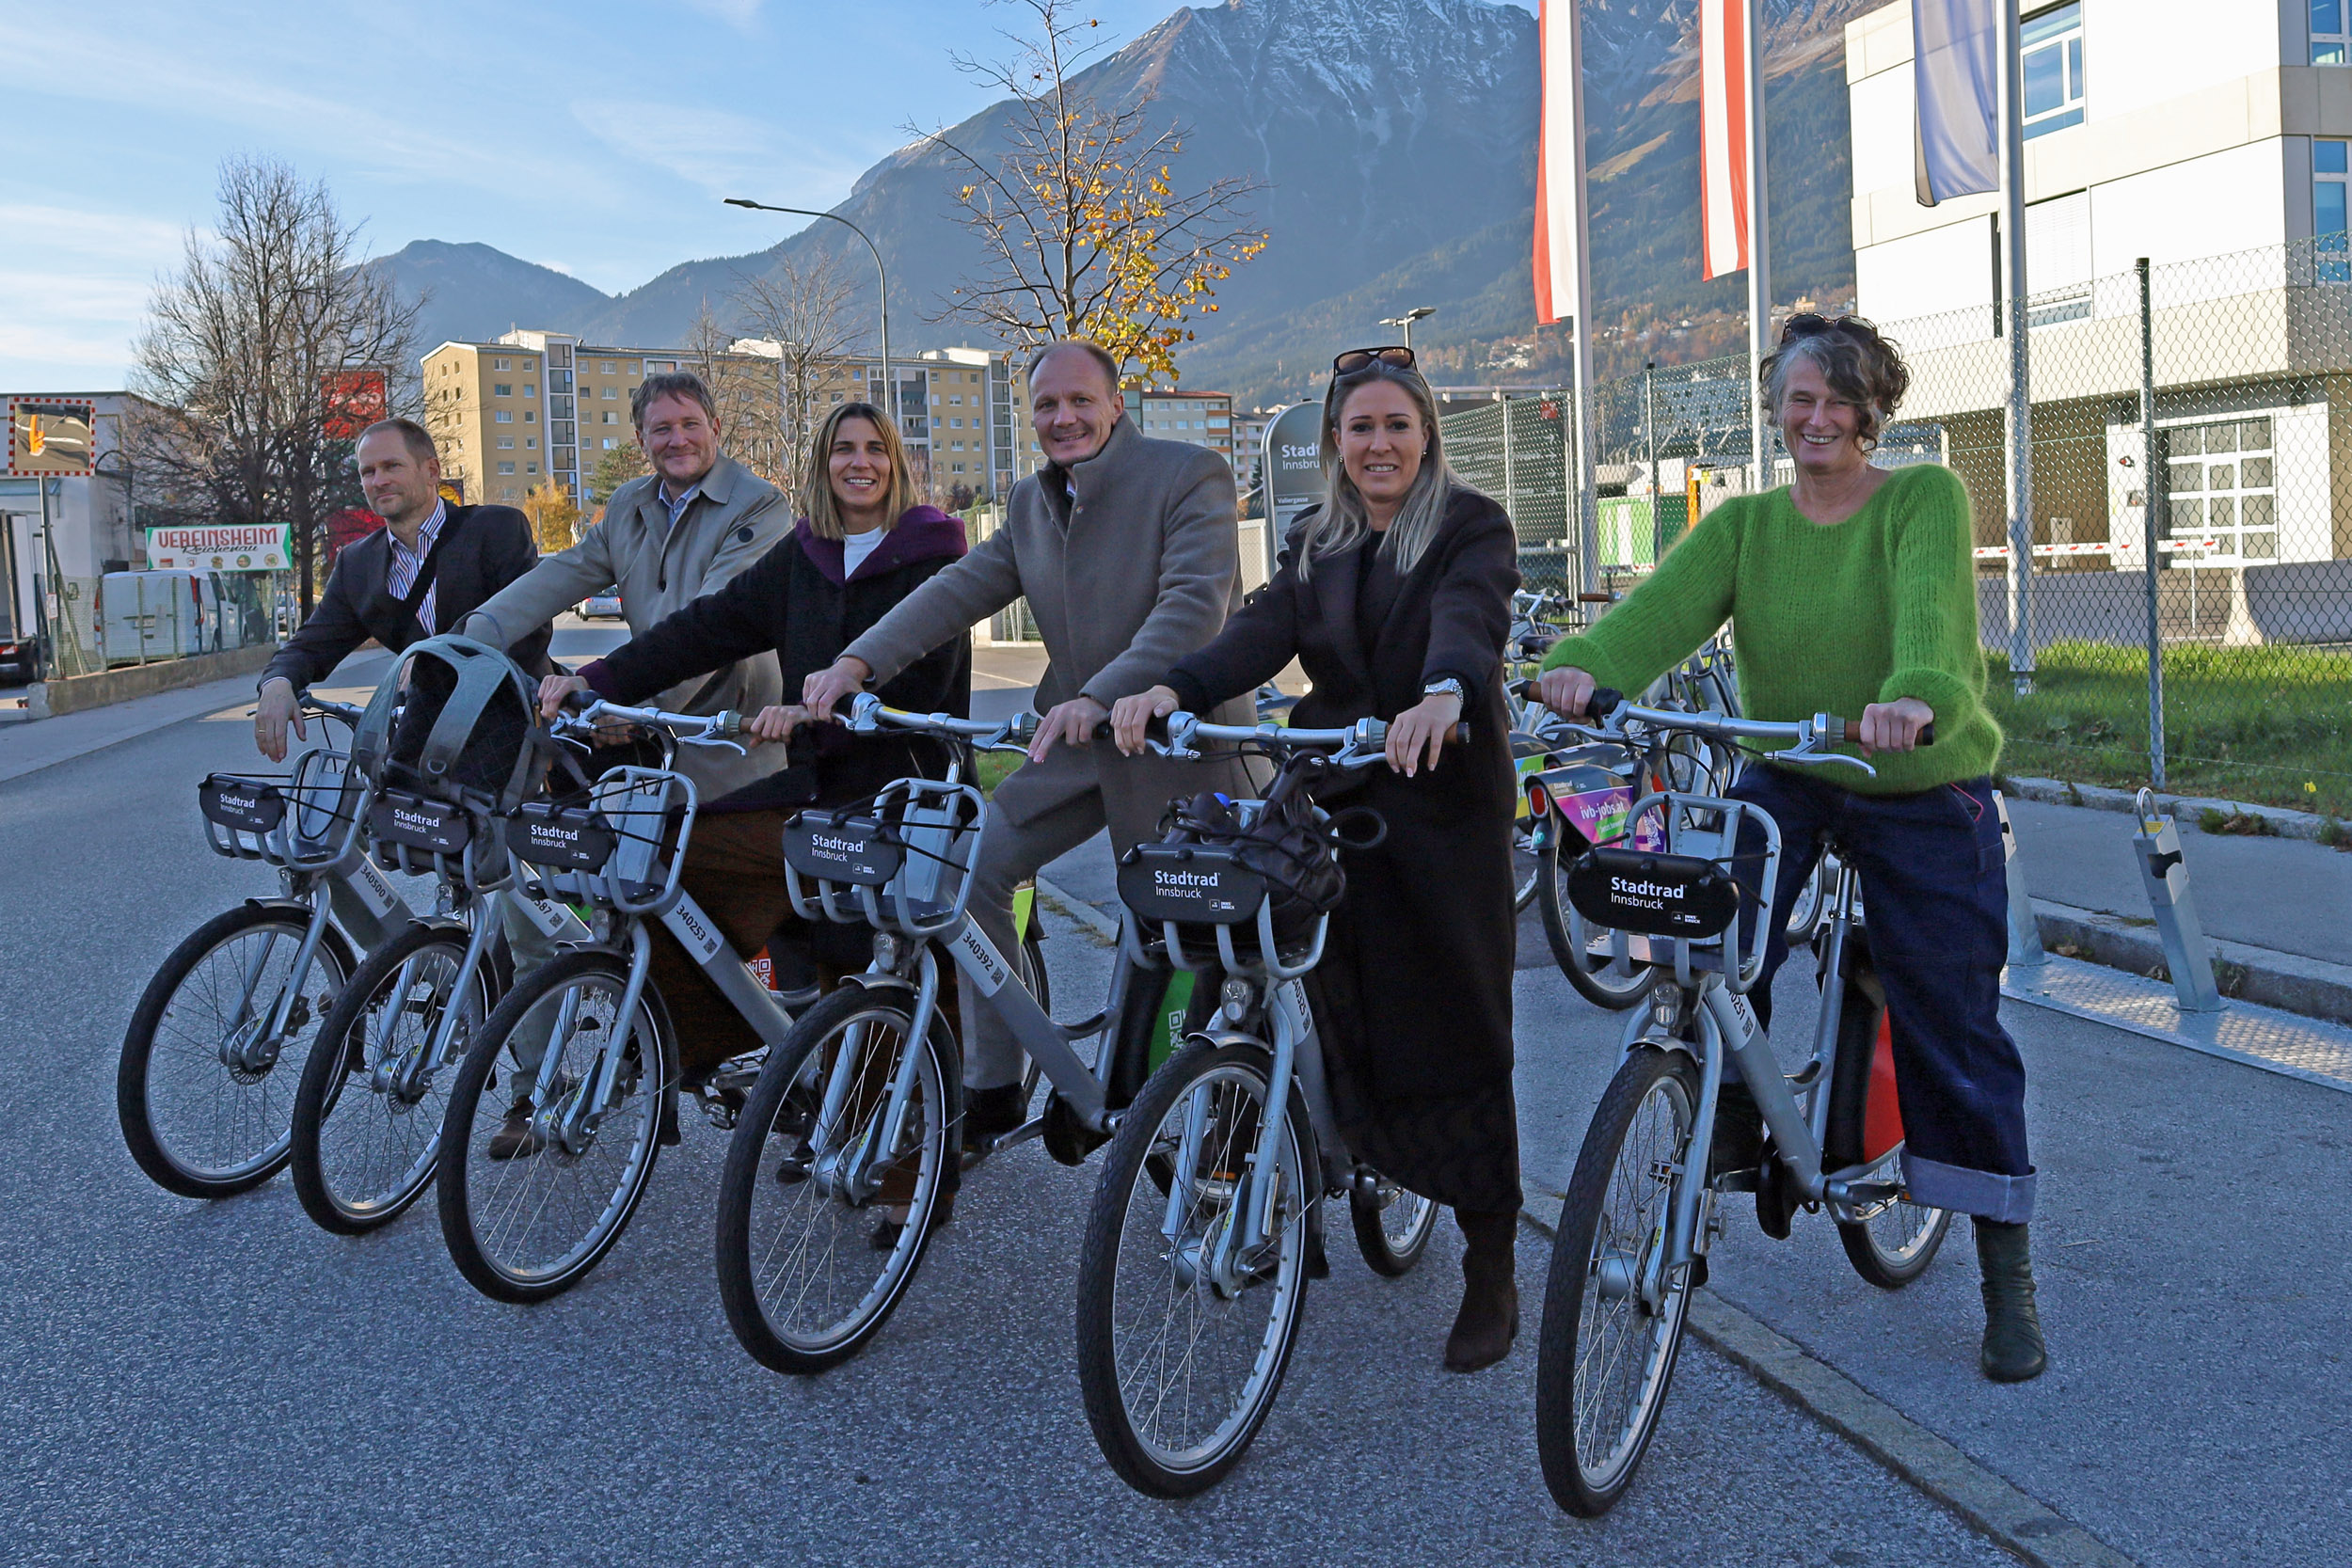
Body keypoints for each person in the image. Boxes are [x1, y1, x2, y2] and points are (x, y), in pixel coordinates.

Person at [1534, 313, 2046, 1384]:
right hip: (1793, 769)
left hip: (1914, 775)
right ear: (1775, 405)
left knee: (1949, 1008)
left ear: (1871, 413)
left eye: (1838, 401)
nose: (1816, 418)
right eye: (1798, 398)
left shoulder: (1919, 497)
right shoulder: (1748, 524)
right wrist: (1582, 665)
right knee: (1708, 937)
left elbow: (1930, 621)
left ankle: (2005, 1266)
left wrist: (1913, 697)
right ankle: (1725, 1119)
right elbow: (1659, 613)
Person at [1110, 344, 1524, 1373]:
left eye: (1394, 424)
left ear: (1425, 431)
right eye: (1358, 427)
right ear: (1335, 444)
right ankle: (1239, 1135)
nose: (1377, 444)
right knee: (1247, 949)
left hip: (1438, 799)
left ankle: (1489, 1259)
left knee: (1449, 1021)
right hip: (1332, 782)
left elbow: (1471, 621)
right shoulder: (1315, 539)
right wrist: (1175, 688)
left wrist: (1444, 695)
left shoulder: (1469, 525)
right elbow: (1253, 636)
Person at [803, 340, 1255, 1157]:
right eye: (1045, 405)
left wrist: (1099, 694)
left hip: (1182, 746)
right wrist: (857, 660)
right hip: (1077, 740)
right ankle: (993, 1081)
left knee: (1179, 940)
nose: (1063, 418)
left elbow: (1193, 608)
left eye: (1080, 401)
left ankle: (1207, 1116)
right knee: (973, 871)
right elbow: (956, 590)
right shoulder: (1031, 503)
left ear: (1117, 404)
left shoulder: (1190, 474)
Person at [531, 401, 970, 1132]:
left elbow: (929, 676)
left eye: (874, 449)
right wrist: (599, 681)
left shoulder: (935, 556)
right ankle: (726, 1042)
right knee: (677, 855)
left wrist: (818, 708)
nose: (858, 463)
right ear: (820, 465)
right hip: (816, 787)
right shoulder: (802, 557)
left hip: (902, 795)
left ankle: (899, 1153)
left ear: (897, 463)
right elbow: (704, 627)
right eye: (842, 450)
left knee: (866, 947)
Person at [462, 370, 791, 800]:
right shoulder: (628, 506)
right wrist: (465, 642)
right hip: (646, 729)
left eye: (690, 424)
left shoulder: (760, 505)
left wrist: (635, 708)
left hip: (730, 734)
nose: (678, 440)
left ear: (715, 428)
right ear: (641, 441)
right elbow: (555, 578)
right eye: (661, 429)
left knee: (713, 860)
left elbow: (714, 624)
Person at [253, 419, 549, 762]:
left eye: (392, 465)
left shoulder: (496, 528)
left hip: (519, 726)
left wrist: (432, 658)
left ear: (432, 471)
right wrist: (277, 683)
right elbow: (311, 644)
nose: (379, 481)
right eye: (368, 472)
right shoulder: (358, 563)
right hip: (426, 735)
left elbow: (530, 631)